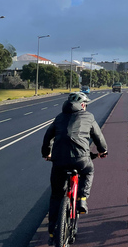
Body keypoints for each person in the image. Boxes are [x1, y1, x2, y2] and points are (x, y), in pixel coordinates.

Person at [42, 92, 108, 245]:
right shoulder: (89, 117)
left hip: (59, 161)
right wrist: (103, 150)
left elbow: (48, 136)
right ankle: (82, 199)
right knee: (89, 171)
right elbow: (98, 136)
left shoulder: (58, 118)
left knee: (56, 197)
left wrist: (46, 153)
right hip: (81, 159)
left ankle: (52, 233)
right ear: (83, 105)